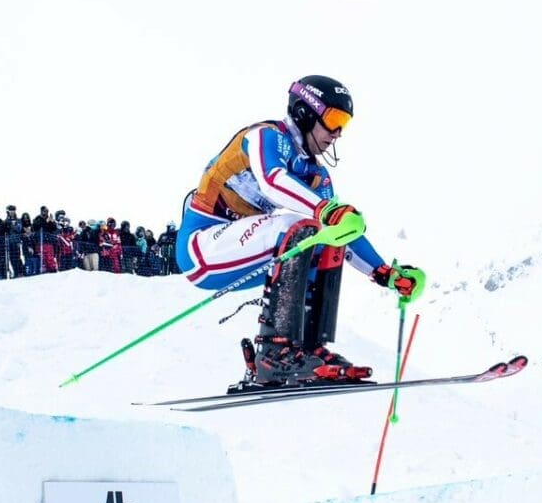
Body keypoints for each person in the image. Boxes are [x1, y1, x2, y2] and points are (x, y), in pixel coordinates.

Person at [175, 75, 425, 389]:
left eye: (344, 123)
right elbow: (272, 179)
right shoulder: (265, 137)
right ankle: (275, 353)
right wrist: (326, 211)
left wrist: (385, 273)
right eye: (333, 119)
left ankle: (306, 349)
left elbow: (338, 229)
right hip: (201, 246)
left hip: (239, 249)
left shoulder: (314, 172)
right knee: (296, 227)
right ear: (306, 113)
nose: (337, 132)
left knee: (325, 238)